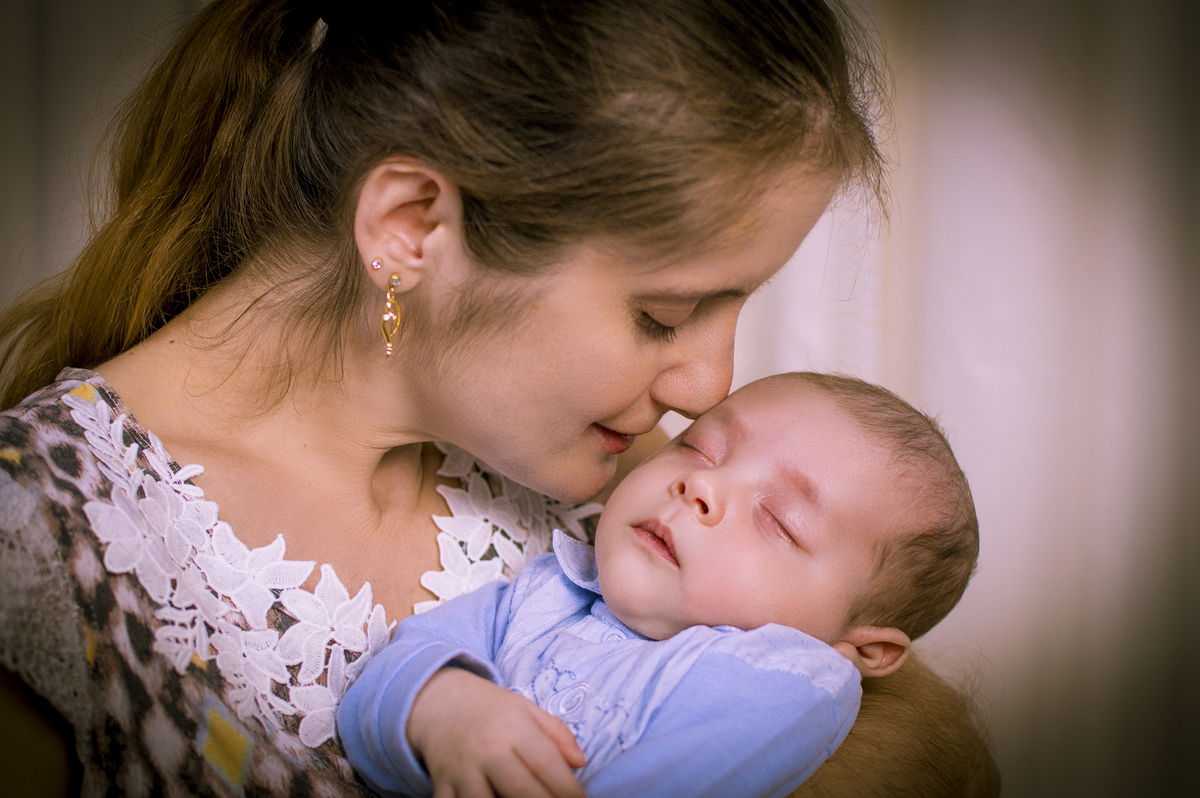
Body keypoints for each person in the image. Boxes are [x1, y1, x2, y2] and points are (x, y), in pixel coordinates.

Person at [0, 0, 998, 796]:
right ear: (410, 226)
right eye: (665, 312)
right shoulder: (45, 553)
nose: (708, 390)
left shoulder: (631, 491)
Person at [338, 372, 979, 798]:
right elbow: (390, 676)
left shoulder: (785, 682)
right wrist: (448, 711)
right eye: (700, 449)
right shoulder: (554, 585)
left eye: (779, 520)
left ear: (857, 649)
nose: (699, 486)